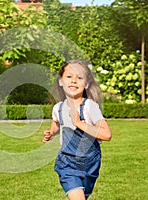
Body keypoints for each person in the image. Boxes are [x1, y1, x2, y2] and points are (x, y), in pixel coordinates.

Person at [43, 59, 112, 200]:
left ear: (86, 84)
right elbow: (57, 122)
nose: (74, 81)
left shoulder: (90, 107)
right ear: (61, 81)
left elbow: (106, 134)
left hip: (90, 164)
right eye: (69, 77)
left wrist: (78, 123)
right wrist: (51, 132)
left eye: (79, 77)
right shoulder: (58, 108)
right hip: (67, 162)